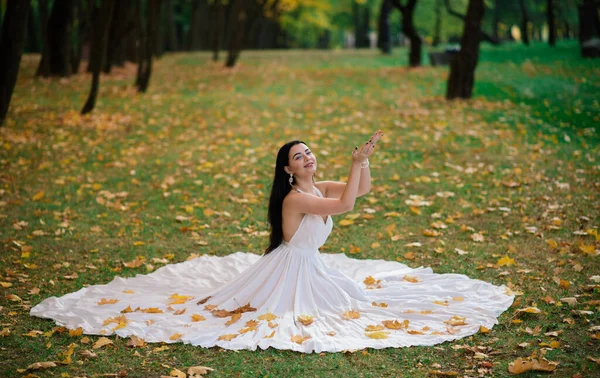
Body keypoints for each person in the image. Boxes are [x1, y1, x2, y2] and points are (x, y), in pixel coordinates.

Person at [31, 131, 514, 353]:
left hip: (310, 265)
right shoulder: (295, 200)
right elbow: (345, 206)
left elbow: (357, 192)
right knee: (307, 315)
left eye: (309, 153)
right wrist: (352, 164)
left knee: (352, 299)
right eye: (299, 157)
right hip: (293, 269)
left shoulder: (313, 189)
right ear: (287, 168)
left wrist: (362, 162)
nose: (308, 159)